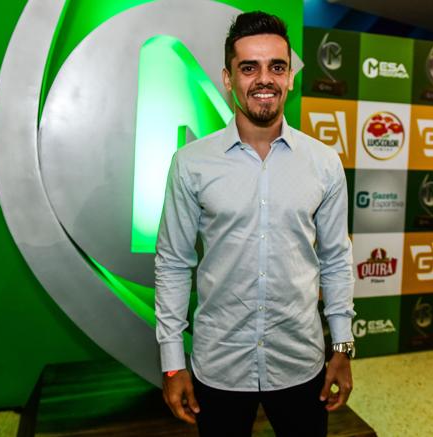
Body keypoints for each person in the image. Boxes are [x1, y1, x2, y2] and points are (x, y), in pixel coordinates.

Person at [155, 11, 355, 437]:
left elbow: (336, 259)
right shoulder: (191, 164)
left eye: (277, 67)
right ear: (228, 79)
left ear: (290, 78)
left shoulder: (324, 163)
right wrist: (172, 363)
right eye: (249, 68)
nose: (265, 79)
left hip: (300, 362)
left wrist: (341, 345)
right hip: (220, 365)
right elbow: (173, 263)